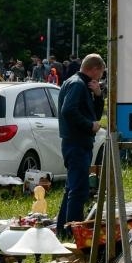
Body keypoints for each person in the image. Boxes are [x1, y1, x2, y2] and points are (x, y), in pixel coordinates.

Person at [55, 53, 105, 238]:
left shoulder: (79, 83)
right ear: (95, 69)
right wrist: (88, 125)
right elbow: (68, 110)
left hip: (77, 142)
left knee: (72, 188)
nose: (100, 78)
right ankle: (75, 233)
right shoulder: (77, 84)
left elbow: (95, 115)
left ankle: (63, 230)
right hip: (76, 142)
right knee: (79, 190)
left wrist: (98, 96)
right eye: (101, 73)